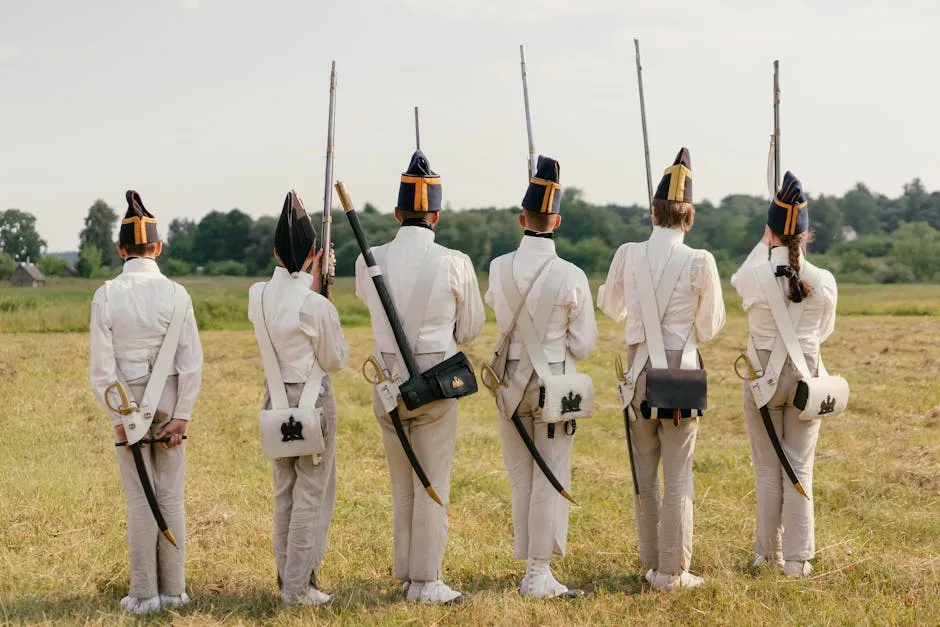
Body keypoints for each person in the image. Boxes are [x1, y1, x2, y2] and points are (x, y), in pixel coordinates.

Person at [354, 150, 485, 604]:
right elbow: (470, 328)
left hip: (388, 383)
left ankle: (409, 573)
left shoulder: (367, 260)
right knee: (432, 481)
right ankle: (427, 582)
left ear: (397, 213)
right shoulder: (454, 261)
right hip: (435, 384)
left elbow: (369, 305)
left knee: (402, 482)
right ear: (436, 215)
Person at [597, 148, 725, 591]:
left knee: (644, 474)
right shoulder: (700, 261)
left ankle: (652, 563)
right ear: (688, 215)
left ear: (654, 211)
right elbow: (709, 328)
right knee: (679, 476)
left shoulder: (628, 253)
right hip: (682, 378)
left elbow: (609, 306)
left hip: (638, 377)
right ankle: (673, 572)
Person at [484, 155, 597, 598]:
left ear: (522, 218)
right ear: (558, 221)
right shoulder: (571, 274)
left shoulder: (497, 267)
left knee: (522, 478)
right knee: (550, 477)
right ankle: (537, 574)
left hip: (511, 385)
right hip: (556, 387)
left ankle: (532, 568)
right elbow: (584, 343)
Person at [89, 190, 203, 614]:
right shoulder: (178, 294)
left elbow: (102, 369)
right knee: (171, 497)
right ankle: (174, 592)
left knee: (140, 500)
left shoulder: (105, 294)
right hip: (171, 406)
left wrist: (118, 417)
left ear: (121, 249)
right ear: (157, 247)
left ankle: (144, 595)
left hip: (125, 408)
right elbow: (192, 361)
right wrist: (184, 414)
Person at [731, 171, 838, 579]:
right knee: (800, 466)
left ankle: (767, 554)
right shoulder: (824, 281)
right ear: (806, 236)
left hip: (763, 376)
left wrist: (765, 241)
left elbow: (743, 276)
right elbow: (824, 332)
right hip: (807, 377)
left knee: (766, 469)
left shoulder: (753, 277)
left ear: (770, 231)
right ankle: (798, 560)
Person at [248, 190, 349, 606]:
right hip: (313, 403)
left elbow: (287, 301)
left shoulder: (257, 294)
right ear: (314, 252)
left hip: (275, 401)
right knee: (311, 496)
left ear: (274, 250)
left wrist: (314, 284)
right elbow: (335, 359)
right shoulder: (314, 305)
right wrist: (323, 291)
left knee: (284, 492)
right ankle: (297, 587)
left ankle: (288, 576)